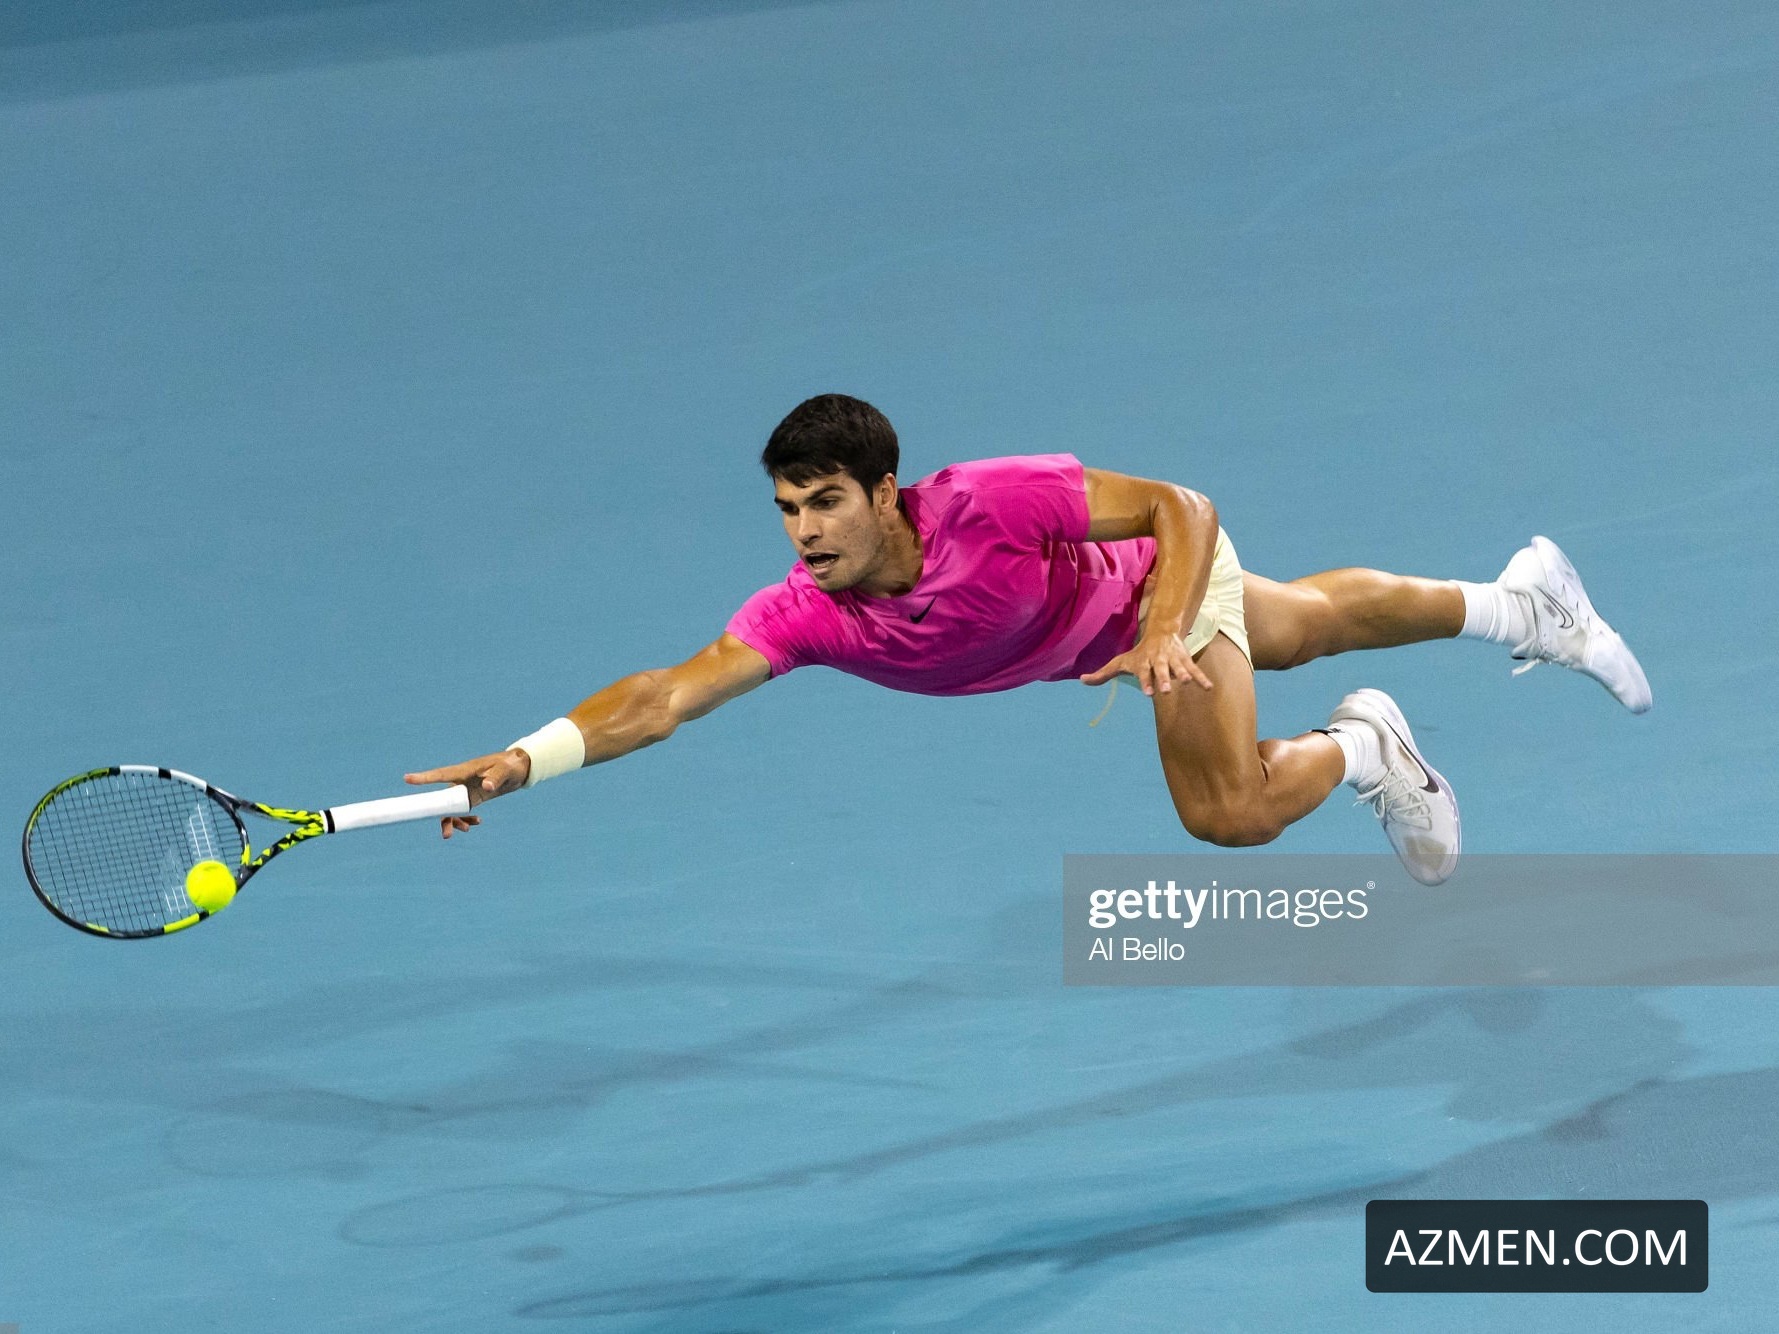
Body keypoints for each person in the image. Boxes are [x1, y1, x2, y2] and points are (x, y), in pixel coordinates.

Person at [406, 395, 1649, 884]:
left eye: (826, 502)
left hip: (1156, 599)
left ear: (884, 490)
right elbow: (664, 696)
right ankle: (1523, 603)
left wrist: (1160, 631)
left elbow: (1184, 507)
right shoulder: (806, 614)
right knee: (1314, 623)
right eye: (787, 508)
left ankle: (1367, 747)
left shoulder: (989, 502)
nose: (805, 532)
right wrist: (525, 758)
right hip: (1112, 630)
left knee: (1227, 811)